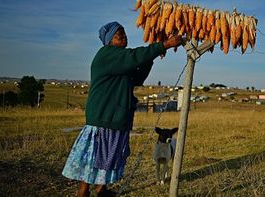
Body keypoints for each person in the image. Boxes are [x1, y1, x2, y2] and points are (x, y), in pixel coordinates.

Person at [62, 21, 182, 197]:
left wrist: (154, 54)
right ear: (110, 40)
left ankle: (101, 190)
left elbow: (137, 76)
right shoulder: (107, 55)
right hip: (104, 115)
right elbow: (134, 57)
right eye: (119, 35)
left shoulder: (120, 61)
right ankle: (83, 192)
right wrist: (162, 45)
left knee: (110, 156)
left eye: (124, 33)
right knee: (93, 157)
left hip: (116, 116)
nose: (124, 36)